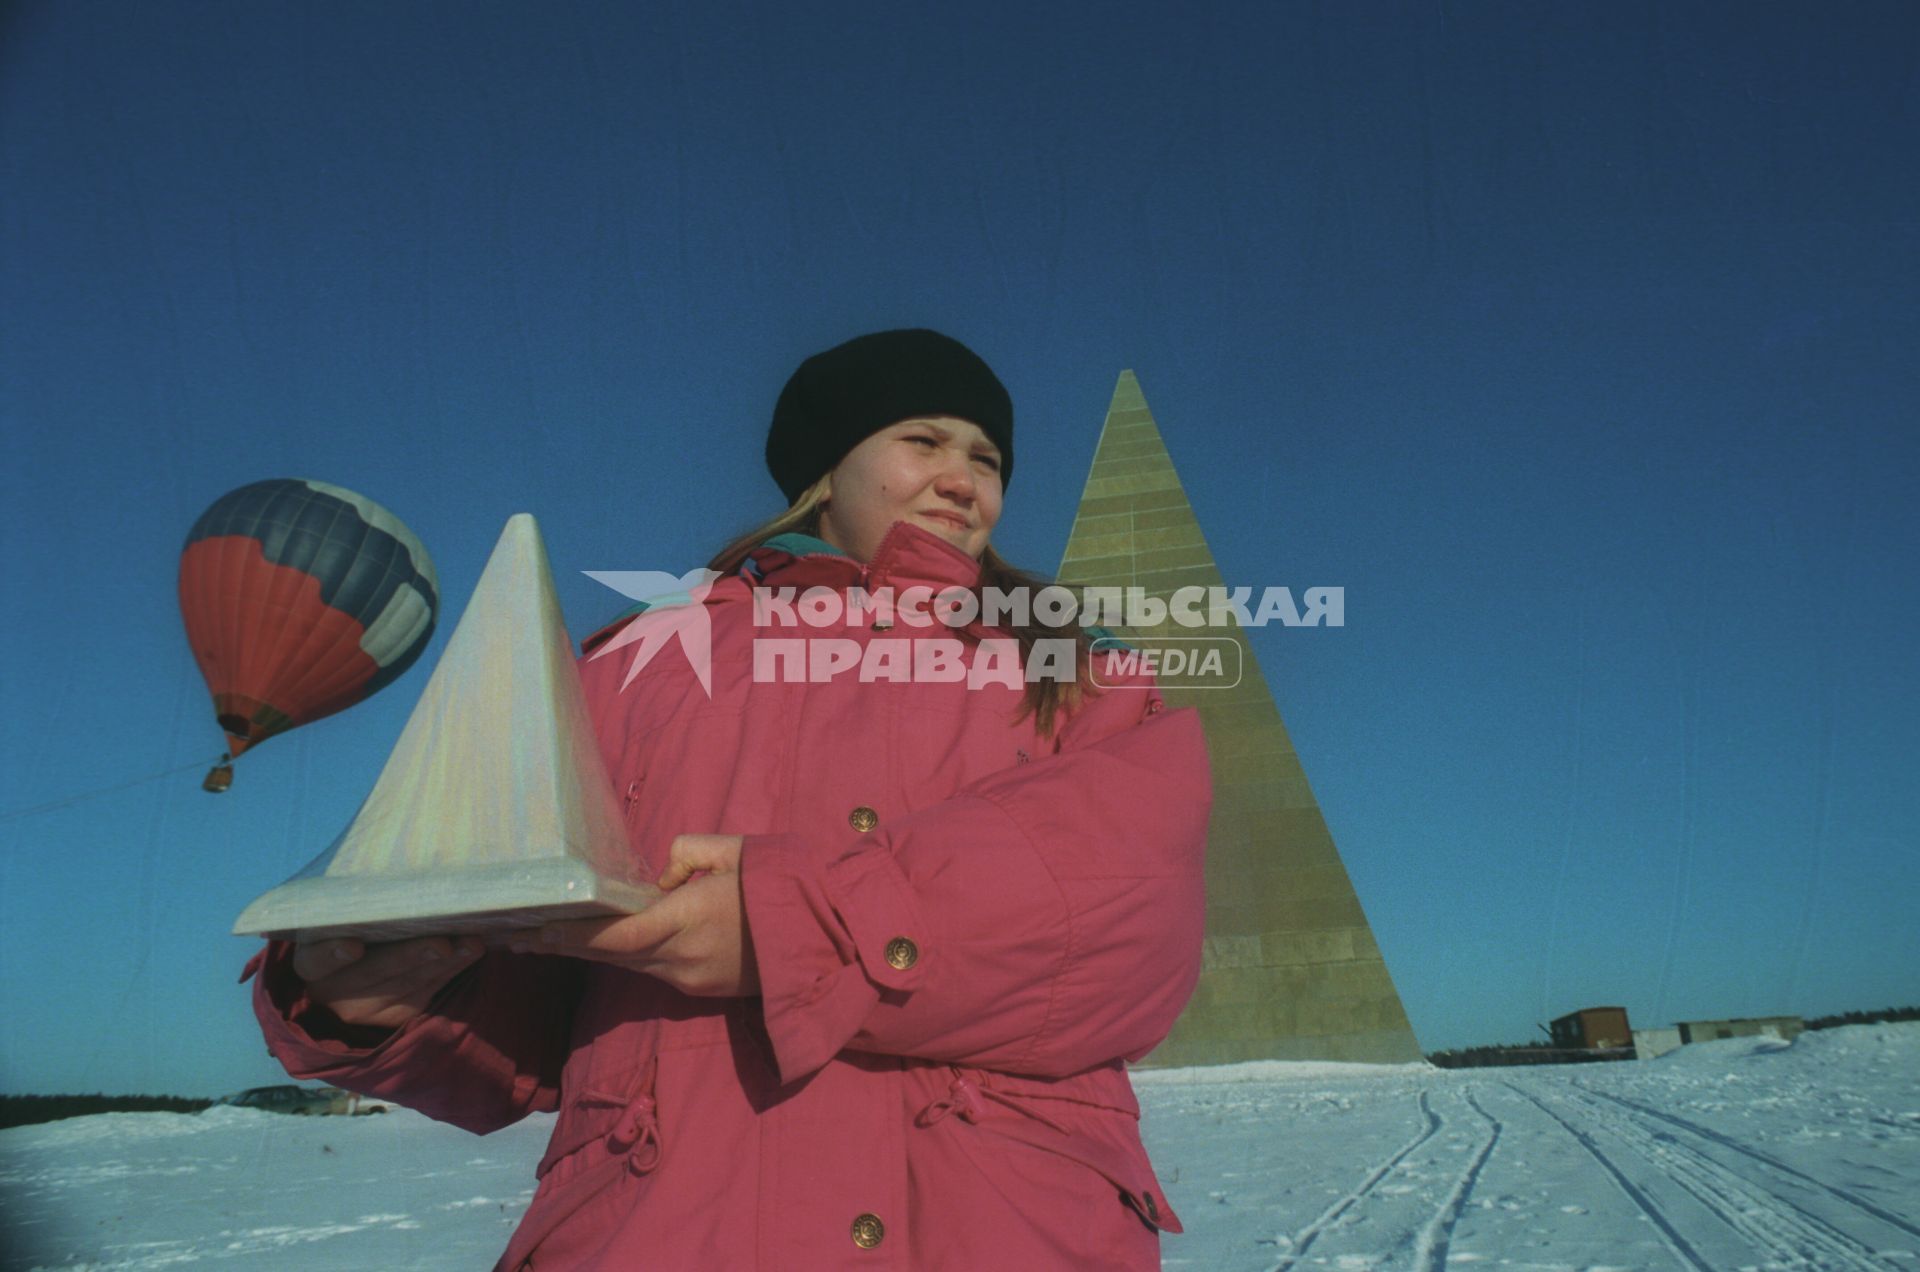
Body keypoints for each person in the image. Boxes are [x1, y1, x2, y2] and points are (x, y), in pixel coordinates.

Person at [244, 328, 1212, 1270]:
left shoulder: (1073, 667)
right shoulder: (631, 664)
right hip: (663, 1224)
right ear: (827, 471)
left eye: (988, 458)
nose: (965, 480)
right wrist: (396, 996)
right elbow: (540, 986)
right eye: (922, 441)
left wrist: (798, 931)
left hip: (1007, 1225)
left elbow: (1129, 910)